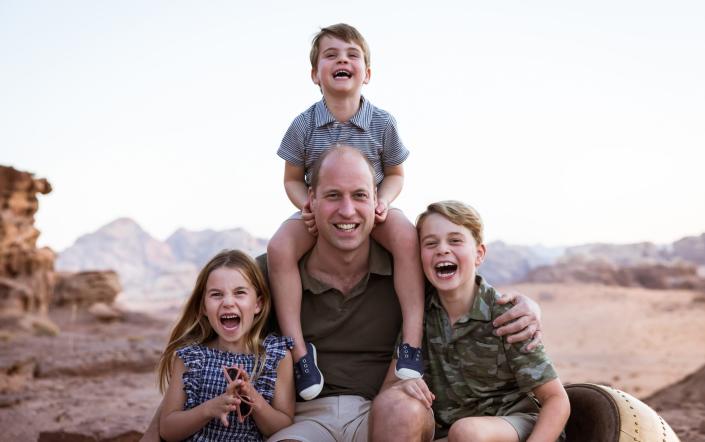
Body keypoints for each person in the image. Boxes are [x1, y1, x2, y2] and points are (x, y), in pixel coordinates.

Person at [141, 147, 543, 442]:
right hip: (303, 420)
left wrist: (529, 305)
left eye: (359, 196)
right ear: (310, 201)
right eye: (333, 195)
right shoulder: (273, 275)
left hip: (385, 413)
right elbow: (204, 348)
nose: (347, 210)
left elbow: (463, 287)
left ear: (377, 203)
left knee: (401, 407)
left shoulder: (407, 270)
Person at [267, 23, 426, 400]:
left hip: (371, 208)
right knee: (278, 248)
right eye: (332, 55)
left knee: (406, 236)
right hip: (321, 211)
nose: (343, 60)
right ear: (315, 73)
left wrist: (382, 200)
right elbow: (291, 178)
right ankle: (300, 353)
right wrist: (303, 203)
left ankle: (412, 343)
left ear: (367, 74)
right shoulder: (304, 124)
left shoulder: (382, 123)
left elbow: (396, 173)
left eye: (352, 55)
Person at [399, 201, 570, 442]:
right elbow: (393, 384)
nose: (442, 249)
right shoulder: (420, 315)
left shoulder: (508, 316)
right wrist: (403, 387)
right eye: (430, 243)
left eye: (455, 240)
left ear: (479, 254)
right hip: (455, 433)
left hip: (517, 425)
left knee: (467, 431)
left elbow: (556, 400)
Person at [156, 250, 295, 441]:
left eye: (240, 293)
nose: (228, 302)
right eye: (216, 294)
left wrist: (251, 397)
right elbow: (168, 431)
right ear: (203, 307)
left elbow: (281, 427)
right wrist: (209, 409)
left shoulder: (275, 357)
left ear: (258, 304)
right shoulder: (191, 357)